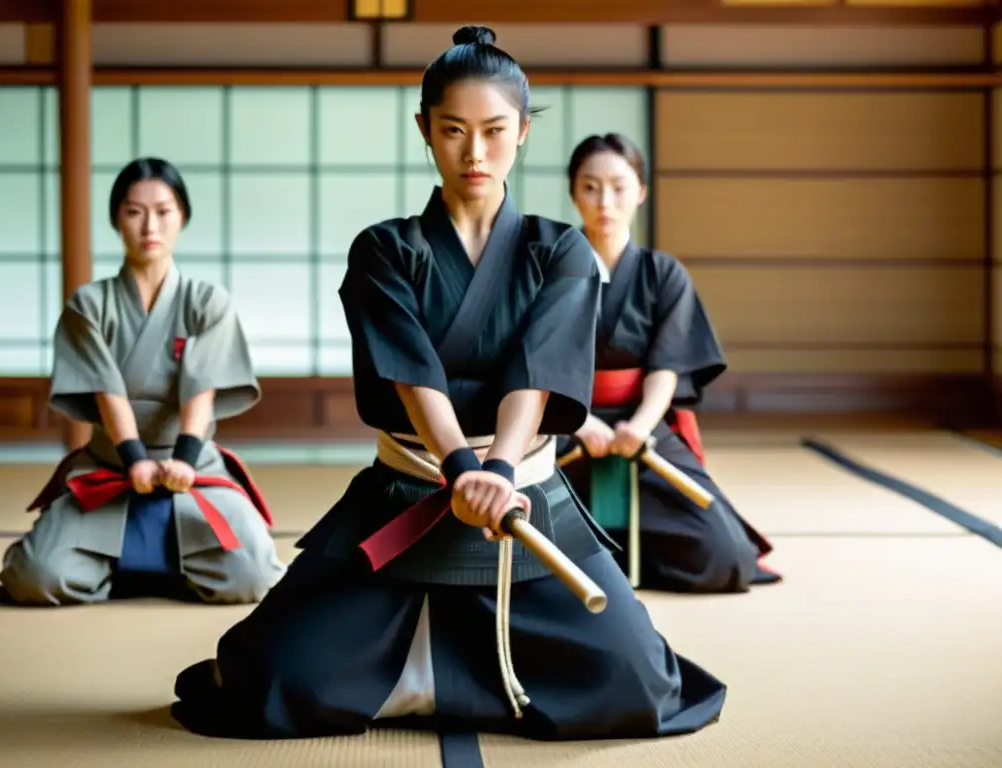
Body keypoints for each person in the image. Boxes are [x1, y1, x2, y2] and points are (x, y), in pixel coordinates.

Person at [169, 27, 726, 742]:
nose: (475, 152)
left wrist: (496, 469)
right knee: (276, 678)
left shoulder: (559, 249)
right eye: (453, 130)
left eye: (495, 131)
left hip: (523, 490)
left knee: (639, 684)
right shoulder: (385, 249)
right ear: (424, 130)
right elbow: (411, 374)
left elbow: (537, 373)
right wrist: (460, 466)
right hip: (414, 487)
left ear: (523, 133)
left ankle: (428, 679)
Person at [0, 157, 287, 606]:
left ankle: (126, 565)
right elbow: (107, 391)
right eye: (134, 211)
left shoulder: (206, 302)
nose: (150, 225)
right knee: (37, 577)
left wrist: (186, 460)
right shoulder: (89, 305)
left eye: (164, 211)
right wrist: (133, 458)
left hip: (193, 469)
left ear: (182, 217)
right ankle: (141, 563)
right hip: (111, 463)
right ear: (117, 218)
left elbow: (201, 390)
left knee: (254, 576)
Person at [559, 132, 781, 593]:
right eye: (591, 186)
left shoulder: (662, 274)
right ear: (573, 191)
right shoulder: (547, 269)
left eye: (619, 187)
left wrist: (638, 428)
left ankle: (611, 559)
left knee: (726, 555)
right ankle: (601, 557)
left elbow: (667, 366)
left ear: (640, 191)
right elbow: (533, 364)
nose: (605, 200)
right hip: (561, 425)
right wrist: (580, 423)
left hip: (642, 426)